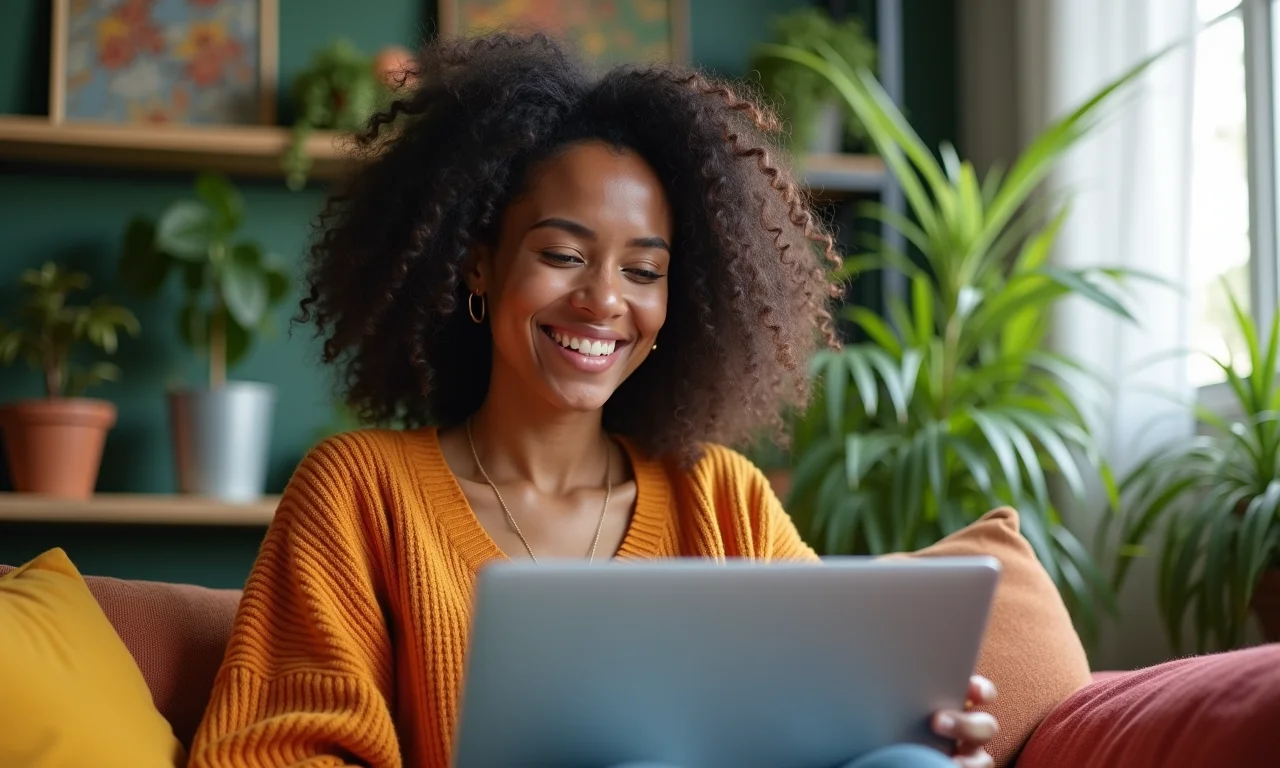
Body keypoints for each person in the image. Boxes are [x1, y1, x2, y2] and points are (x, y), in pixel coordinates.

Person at [188, 33, 1000, 768]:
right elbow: (278, 750)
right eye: (563, 254)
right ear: (478, 265)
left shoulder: (722, 498)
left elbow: (829, 719)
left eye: (643, 271)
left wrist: (922, 732)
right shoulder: (361, 491)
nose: (603, 300)